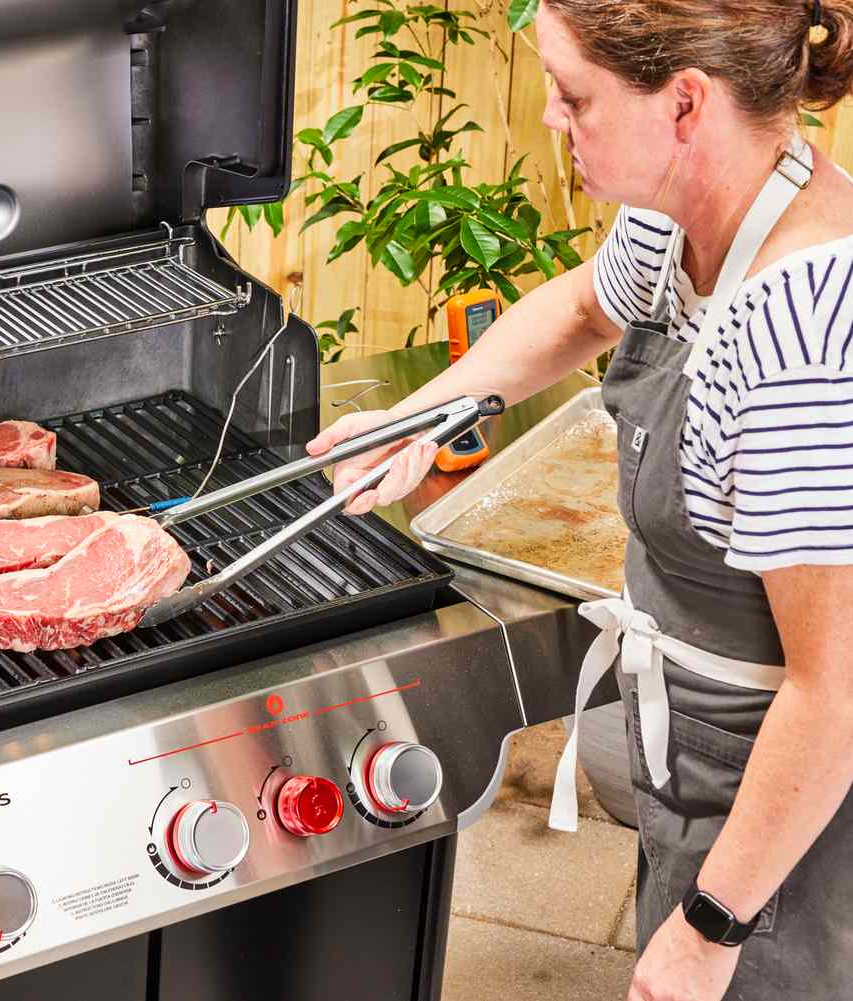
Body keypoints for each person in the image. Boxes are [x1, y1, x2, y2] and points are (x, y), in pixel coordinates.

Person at [308, 2, 853, 998]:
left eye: (574, 95)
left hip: (791, 817)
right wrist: (421, 418)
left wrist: (710, 926)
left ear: (686, 103)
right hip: (700, 753)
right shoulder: (684, 218)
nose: (554, 118)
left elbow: (840, 691)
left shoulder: (801, 338)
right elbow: (580, 308)